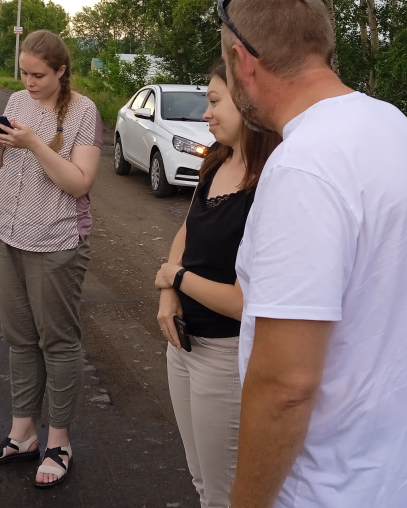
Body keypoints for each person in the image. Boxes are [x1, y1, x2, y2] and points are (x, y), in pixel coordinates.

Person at [219, 0, 407, 508]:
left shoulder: (305, 165)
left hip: (331, 489)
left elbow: (286, 384)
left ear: (242, 60)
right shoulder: (398, 130)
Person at [0, 29, 102, 488]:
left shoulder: (83, 111)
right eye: (24, 73)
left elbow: (79, 183)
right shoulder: (16, 101)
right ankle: (22, 434)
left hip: (55, 242)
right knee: (20, 340)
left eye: (39, 75)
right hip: (7, 234)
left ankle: (59, 442)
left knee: (58, 342)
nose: (29, 82)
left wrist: (34, 144)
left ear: (61, 71)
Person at [154, 61, 281, 508]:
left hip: (225, 357)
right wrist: (168, 293)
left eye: (213, 101)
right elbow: (187, 230)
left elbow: (246, 304)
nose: (205, 113)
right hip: (183, 345)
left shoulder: (271, 184)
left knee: (224, 493)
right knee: (200, 479)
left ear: (247, 103)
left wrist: (176, 277)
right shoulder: (216, 159)